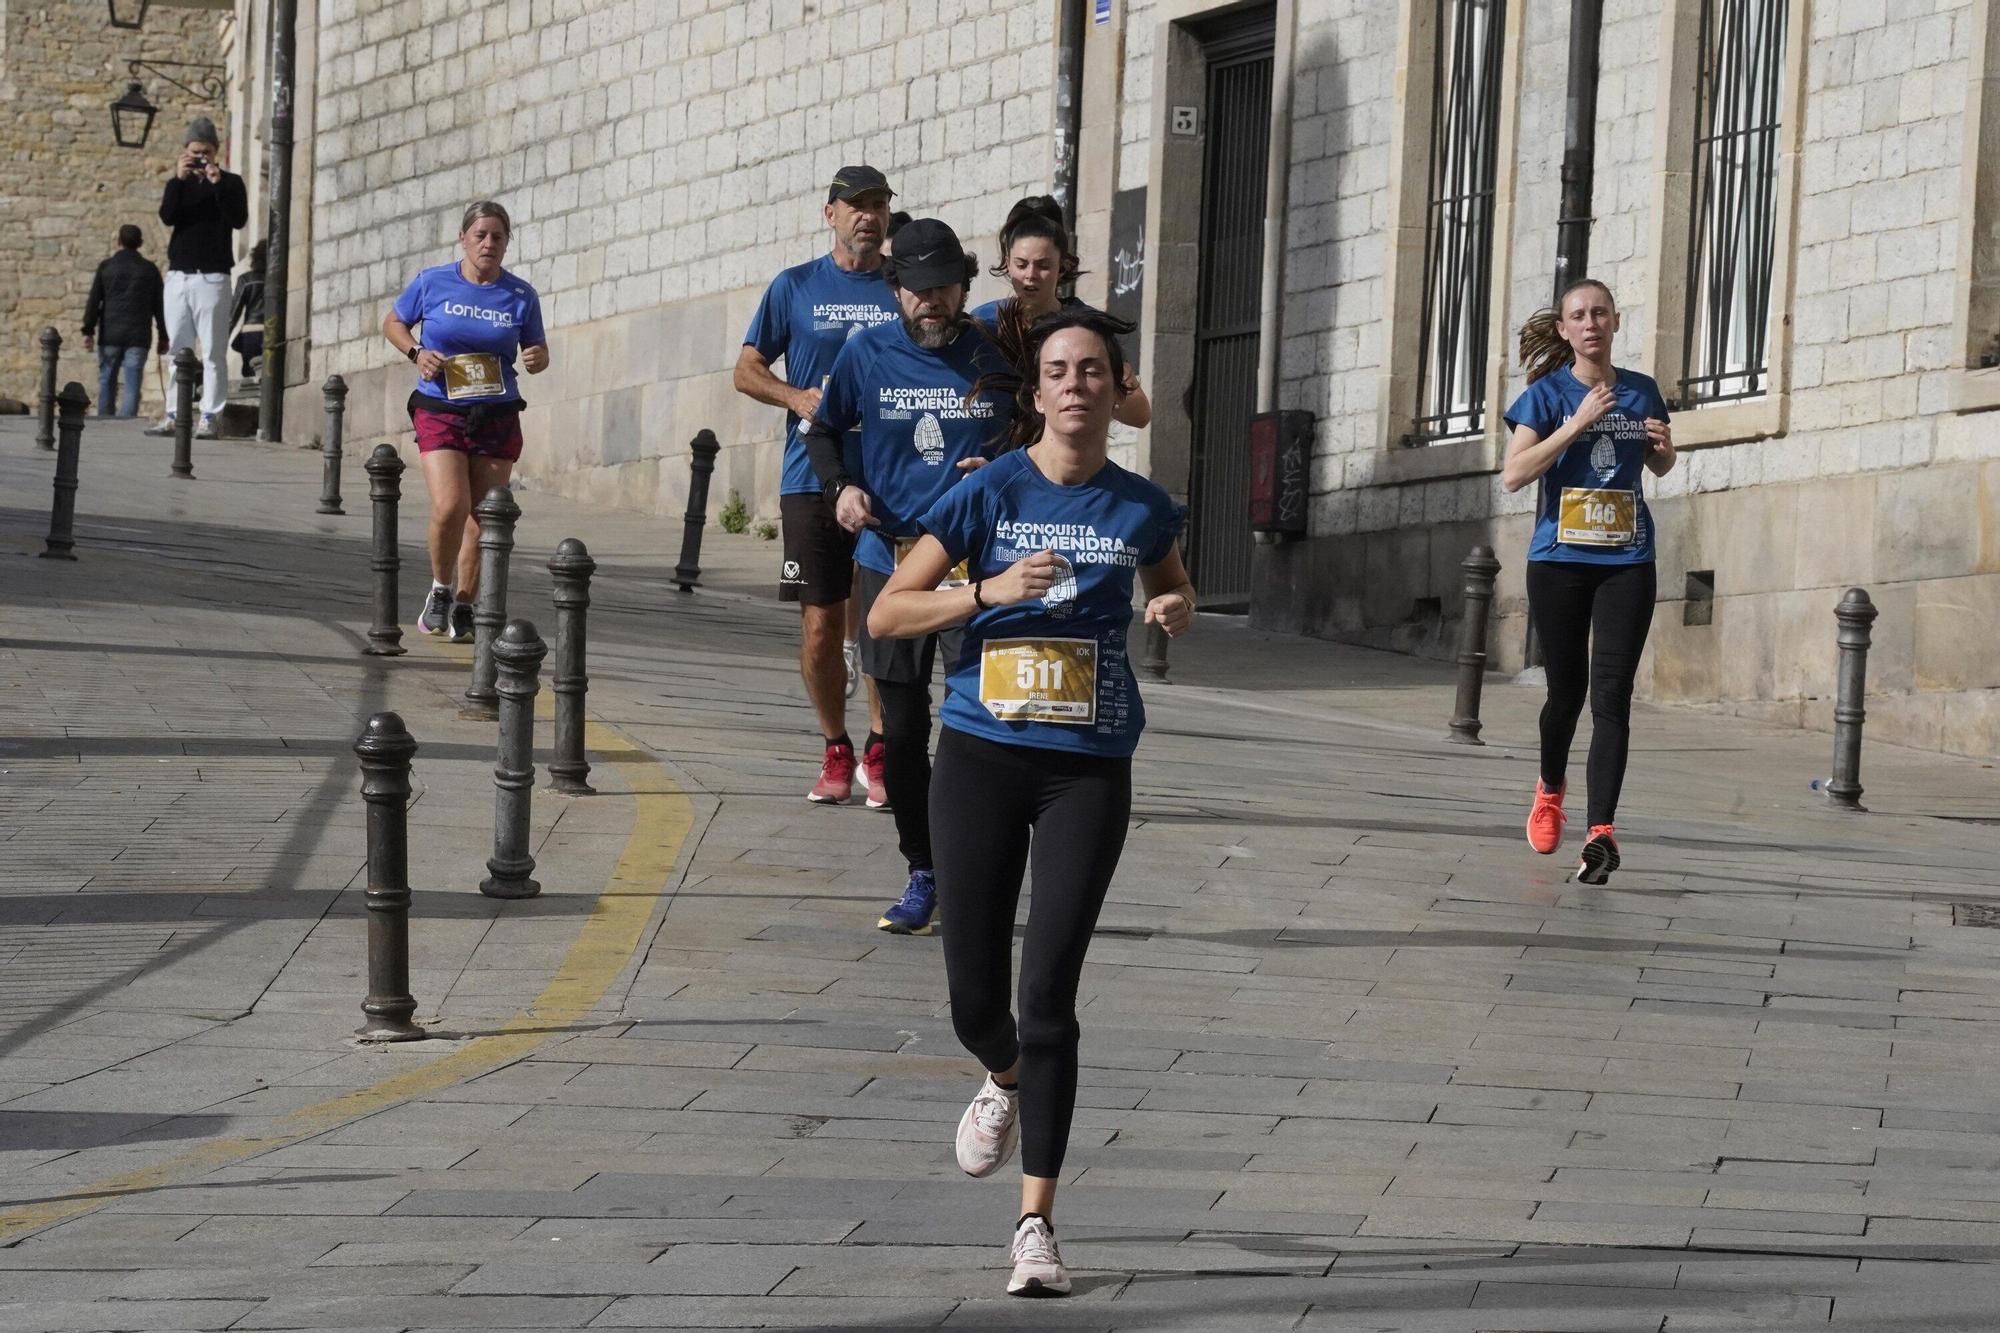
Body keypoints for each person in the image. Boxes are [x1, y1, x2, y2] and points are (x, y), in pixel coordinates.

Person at [868, 306, 1195, 1297]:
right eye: (1056, 370)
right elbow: (888, 611)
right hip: (978, 756)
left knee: (1045, 994)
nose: (1072, 386)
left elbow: (1173, 588)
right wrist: (987, 590)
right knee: (977, 1000)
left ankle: (1035, 1225)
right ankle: (1000, 1072)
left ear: (1113, 386)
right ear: (1038, 390)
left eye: (1091, 370)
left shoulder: (1141, 505)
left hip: (1084, 767)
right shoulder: (986, 493)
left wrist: (1173, 608)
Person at [804, 217, 1014, 935]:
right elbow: (823, 431)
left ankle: (972, 868)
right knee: (902, 727)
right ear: (896, 289)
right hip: (886, 562)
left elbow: (1035, 442)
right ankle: (923, 868)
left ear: (964, 287)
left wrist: (1003, 472)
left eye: (946, 288)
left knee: (972, 724)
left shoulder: (995, 359)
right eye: (919, 289)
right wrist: (842, 490)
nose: (933, 302)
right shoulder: (866, 353)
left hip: (971, 569)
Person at [736, 167, 902, 808]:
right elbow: (747, 369)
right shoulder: (795, 286)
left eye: (879, 205)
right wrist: (798, 397)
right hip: (811, 476)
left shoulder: (901, 287)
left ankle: (882, 750)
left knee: (886, 619)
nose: (868, 215)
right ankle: (837, 746)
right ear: (828, 213)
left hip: (889, 476)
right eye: (856, 205)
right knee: (820, 627)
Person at [1501, 278, 1675, 885]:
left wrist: (1663, 447)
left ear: (1616, 322)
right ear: (1564, 329)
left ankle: (1601, 832)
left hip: (1628, 559)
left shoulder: (1643, 390)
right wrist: (1575, 425)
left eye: (1600, 313)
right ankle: (1550, 790)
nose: (1591, 323)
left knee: (1613, 697)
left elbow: (1658, 462)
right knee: (1566, 694)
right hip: (1560, 562)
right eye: (1579, 315)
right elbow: (1514, 475)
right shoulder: (1546, 396)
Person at [381, 200, 549, 642]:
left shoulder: (520, 295)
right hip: (440, 406)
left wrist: (537, 358)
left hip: (496, 410)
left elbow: (538, 351)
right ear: (463, 238)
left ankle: (466, 605)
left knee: (483, 515)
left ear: (507, 243)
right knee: (451, 506)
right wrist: (417, 352)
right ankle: (440, 588)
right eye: (480, 235)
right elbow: (394, 322)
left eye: (498, 236)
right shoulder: (433, 282)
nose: (489, 244)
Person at [973, 196, 1151, 429]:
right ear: (1008, 261)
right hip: (997, 459)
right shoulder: (985, 322)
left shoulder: (1086, 327)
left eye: (1043, 265)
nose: (1030, 275)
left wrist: (1093, 378)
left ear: (1063, 263)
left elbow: (1139, 414)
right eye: (1021, 263)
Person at [148, 117, 248, 440]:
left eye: (206, 151)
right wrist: (178, 179)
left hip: (213, 278)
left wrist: (217, 185)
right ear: (185, 152)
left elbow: (238, 219)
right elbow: (167, 216)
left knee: (214, 352)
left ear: (217, 151)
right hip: (179, 276)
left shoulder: (230, 183)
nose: (201, 157)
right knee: (179, 350)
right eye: (195, 152)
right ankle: (175, 413)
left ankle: (210, 415)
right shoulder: (179, 184)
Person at [81, 225, 167, 419]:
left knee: (106, 379)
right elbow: (159, 306)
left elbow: (94, 300)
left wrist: (88, 330)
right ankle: (126, 422)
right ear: (141, 243)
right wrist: (163, 335)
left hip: (110, 332)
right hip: (138, 335)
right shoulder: (149, 270)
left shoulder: (107, 267)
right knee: (133, 381)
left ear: (118, 242)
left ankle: (105, 419)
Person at [229, 239, 267, 381]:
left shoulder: (246, 279)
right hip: (272, 332)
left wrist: (223, 339)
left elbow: (233, 315)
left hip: (251, 334)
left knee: (249, 375)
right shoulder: (279, 279)